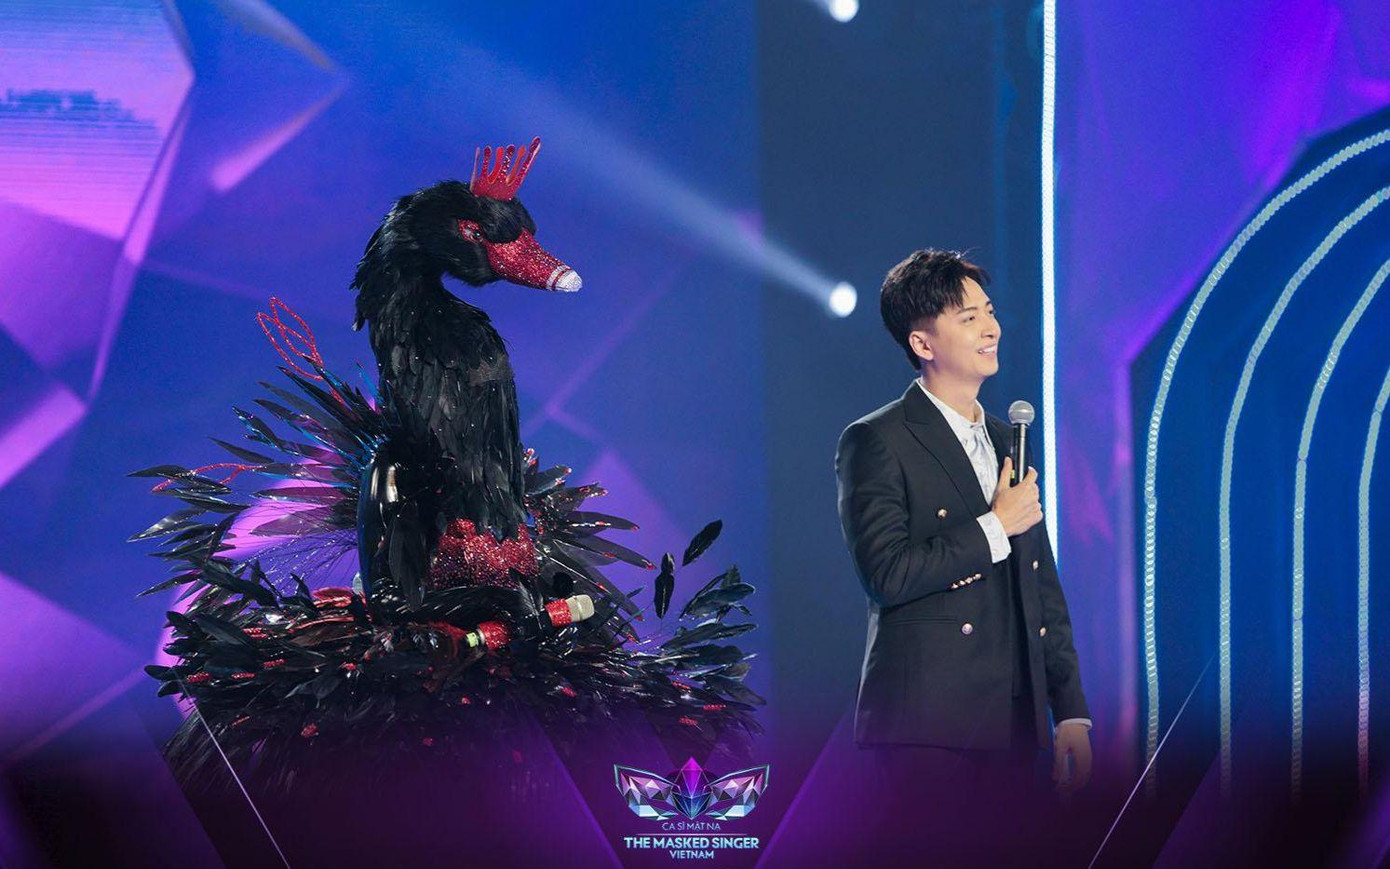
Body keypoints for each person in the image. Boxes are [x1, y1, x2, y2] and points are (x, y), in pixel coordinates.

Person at [834, 249, 1091, 847]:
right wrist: (994, 527)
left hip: (1015, 721)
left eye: (990, 312)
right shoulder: (877, 439)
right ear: (923, 343)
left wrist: (1070, 709)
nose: (991, 328)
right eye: (969, 318)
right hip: (927, 726)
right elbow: (887, 574)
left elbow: (1039, 582)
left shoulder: (1008, 438)